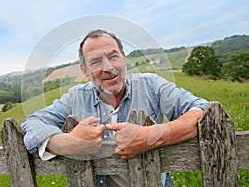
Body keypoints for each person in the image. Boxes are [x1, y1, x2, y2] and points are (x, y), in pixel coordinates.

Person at [21, 29, 209, 187]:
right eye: (95, 62)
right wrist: (68, 143)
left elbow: (203, 111)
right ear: (85, 71)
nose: (109, 67)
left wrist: (152, 136)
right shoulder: (75, 97)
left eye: (113, 56)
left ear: (123, 58)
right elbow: (32, 123)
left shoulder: (152, 86)